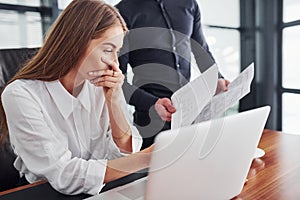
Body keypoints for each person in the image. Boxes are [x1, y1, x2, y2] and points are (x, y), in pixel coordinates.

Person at [0, 0, 152, 195]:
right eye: (108, 50)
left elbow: (124, 153)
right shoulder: (21, 94)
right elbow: (64, 174)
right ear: (76, 42)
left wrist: (113, 100)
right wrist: (148, 158)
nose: (115, 63)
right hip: (44, 192)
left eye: (117, 51)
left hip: (100, 188)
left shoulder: (100, 85)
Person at [115, 0, 230, 149]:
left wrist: (217, 78)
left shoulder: (189, 4)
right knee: (151, 170)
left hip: (188, 111)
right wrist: (153, 103)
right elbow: (118, 83)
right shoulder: (123, 12)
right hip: (150, 119)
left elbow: (201, 49)